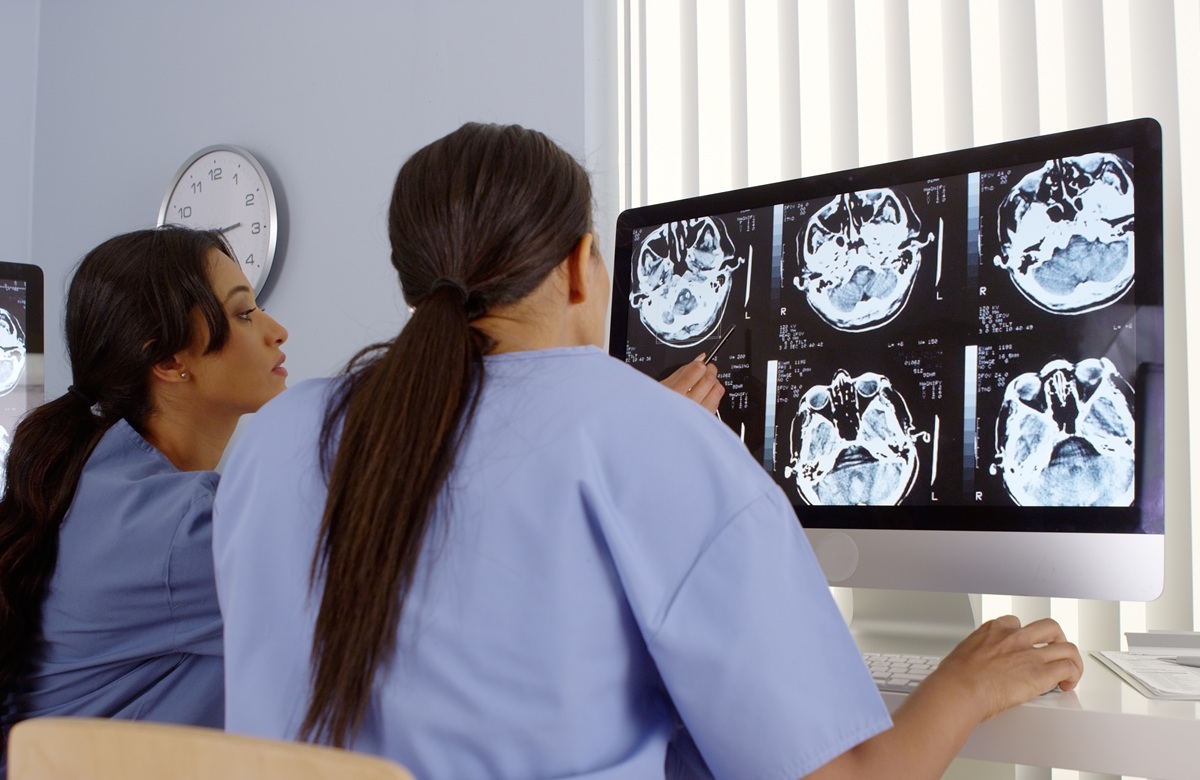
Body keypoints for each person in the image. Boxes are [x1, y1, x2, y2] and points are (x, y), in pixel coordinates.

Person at [212, 123, 1082, 780]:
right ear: (582, 266)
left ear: (411, 280)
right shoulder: (648, 438)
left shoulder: (276, 439)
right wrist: (964, 685)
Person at [0, 226, 289, 770]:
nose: (277, 331)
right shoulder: (176, 529)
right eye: (245, 314)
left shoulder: (98, 485)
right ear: (167, 361)